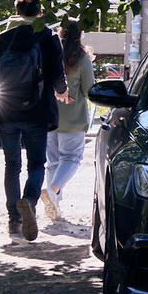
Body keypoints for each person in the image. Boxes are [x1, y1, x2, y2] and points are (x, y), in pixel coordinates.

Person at [0, 0, 65, 243]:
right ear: (39, 13)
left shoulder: (3, 38)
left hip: (5, 110)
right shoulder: (48, 37)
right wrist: (62, 91)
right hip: (37, 111)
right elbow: (57, 75)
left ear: (17, 12)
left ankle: (13, 219)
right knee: (36, 164)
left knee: (12, 165)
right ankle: (29, 202)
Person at [42, 19, 96, 229]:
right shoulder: (82, 59)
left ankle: (54, 205)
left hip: (49, 115)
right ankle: (53, 191)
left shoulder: (50, 54)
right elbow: (88, 90)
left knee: (53, 162)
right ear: (79, 35)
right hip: (72, 117)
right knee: (72, 158)